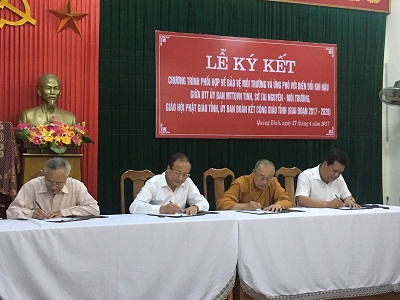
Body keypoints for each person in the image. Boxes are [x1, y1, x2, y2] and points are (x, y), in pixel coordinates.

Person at [6, 157, 99, 219]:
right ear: (44, 174)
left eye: (59, 183)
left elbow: (94, 209)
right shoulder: (32, 186)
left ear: (67, 177)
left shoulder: (76, 186)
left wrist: (64, 212)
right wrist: (31, 214)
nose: (54, 187)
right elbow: (11, 211)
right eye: (49, 182)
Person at [129, 152, 209, 215]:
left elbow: (204, 203)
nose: (180, 178)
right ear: (168, 169)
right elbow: (134, 207)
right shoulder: (154, 183)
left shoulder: (188, 182)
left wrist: (196, 207)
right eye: (177, 173)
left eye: (185, 174)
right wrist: (161, 209)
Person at [216, 159, 292, 212]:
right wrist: (245, 206)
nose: (265, 182)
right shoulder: (242, 182)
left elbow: (286, 200)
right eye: (262, 178)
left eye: (269, 178)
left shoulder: (273, 182)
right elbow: (222, 203)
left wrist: (279, 205)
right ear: (254, 173)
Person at [295, 148, 360, 208]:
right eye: (334, 170)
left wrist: (349, 201)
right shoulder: (306, 175)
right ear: (324, 164)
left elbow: (347, 196)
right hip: (310, 219)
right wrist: (327, 204)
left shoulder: (339, 178)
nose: (336, 175)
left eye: (340, 172)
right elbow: (302, 200)